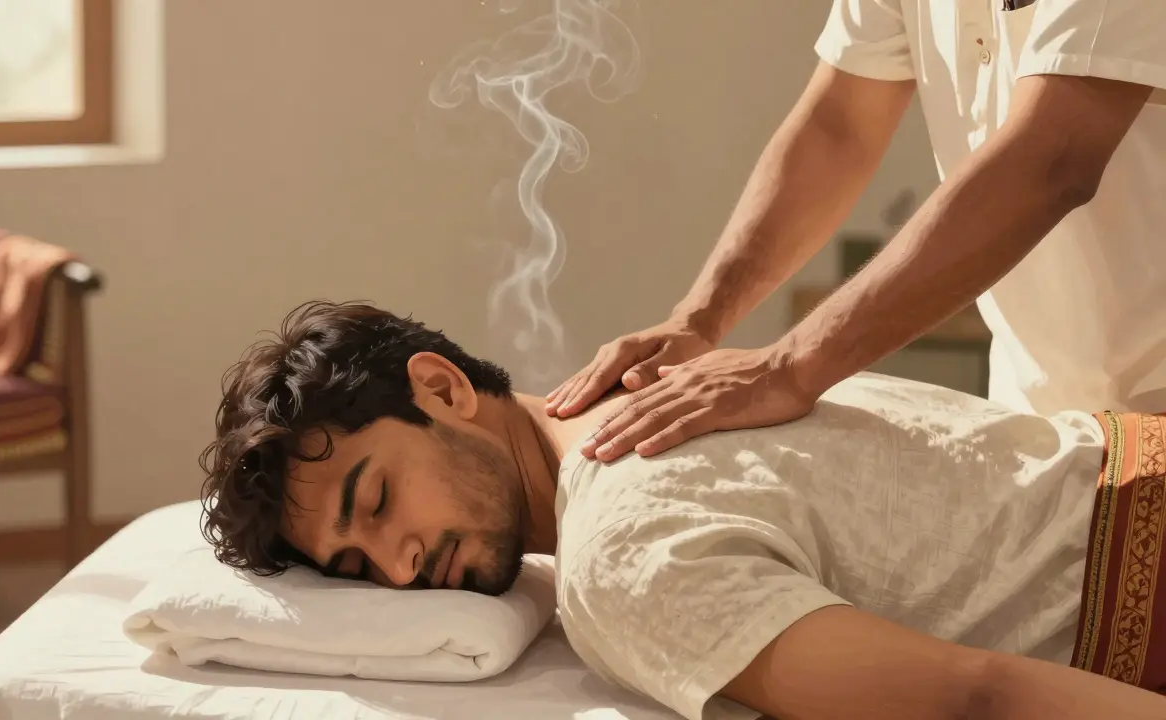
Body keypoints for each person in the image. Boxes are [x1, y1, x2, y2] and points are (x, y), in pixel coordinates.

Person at [200, 300, 1166, 720]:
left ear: (443, 388)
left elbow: (974, 703)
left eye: (376, 501)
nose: (402, 567)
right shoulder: (679, 381)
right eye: (360, 566)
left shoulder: (619, 560)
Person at [545, 0, 1166, 465]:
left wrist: (788, 369)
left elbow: (1053, 158)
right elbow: (840, 127)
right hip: (1050, 421)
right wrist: (698, 321)